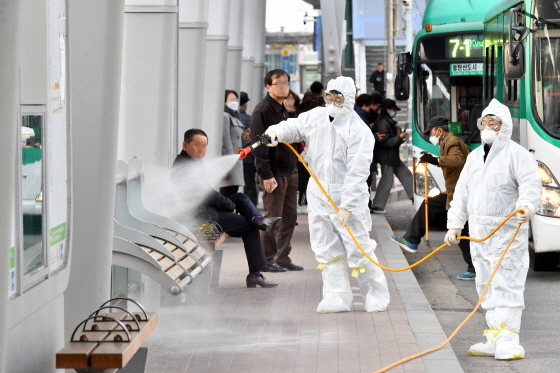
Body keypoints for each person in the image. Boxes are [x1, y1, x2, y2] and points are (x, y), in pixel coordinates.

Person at [263, 76, 390, 313]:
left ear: (348, 99)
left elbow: (358, 171)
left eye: (338, 97)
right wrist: (275, 132)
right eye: (329, 95)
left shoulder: (359, 130)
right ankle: (336, 296)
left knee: (359, 247)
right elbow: (294, 126)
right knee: (325, 246)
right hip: (319, 191)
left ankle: (375, 294)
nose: (332, 100)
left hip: (346, 195)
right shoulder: (316, 116)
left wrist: (349, 205)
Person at [445, 99, 541, 360]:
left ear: (504, 126)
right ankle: (494, 336)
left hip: (505, 233)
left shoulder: (517, 154)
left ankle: (509, 340)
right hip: (479, 234)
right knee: (485, 285)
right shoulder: (475, 157)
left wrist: (525, 207)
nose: (487, 126)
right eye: (484, 122)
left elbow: (531, 186)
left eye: (493, 122)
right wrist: (455, 223)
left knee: (507, 284)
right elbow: (461, 194)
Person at [172, 129, 284, 288]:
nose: (202, 151)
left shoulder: (193, 162)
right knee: (248, 227)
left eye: (205, 147)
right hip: (202, 217)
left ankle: (259, 219)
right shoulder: (183, 166)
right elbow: (206, 195)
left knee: (240, 197)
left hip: (207, 209)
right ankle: (255, 274)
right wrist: (229, 206)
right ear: (185, 145)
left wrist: (229, 203)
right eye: (197, 146)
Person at [389, 116, 476, 280]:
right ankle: (412, 240)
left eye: (431, 132)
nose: (431, 136)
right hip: (457, 192)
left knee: (453, 223)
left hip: (459, 194)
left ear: (439, 130)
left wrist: (435, 160)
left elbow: (458, 160)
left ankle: (412, 240)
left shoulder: (451, 142)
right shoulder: (449, 141)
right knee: (457, 226)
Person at [250, 69, 303, 273]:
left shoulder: (283, 109)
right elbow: (258, 145)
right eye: (278, 83)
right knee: (273, 217)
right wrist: (266, 174)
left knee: (290, 217)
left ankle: (283, 257)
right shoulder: (262, 111)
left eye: (286, 82)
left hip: (290, 170)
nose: (283, 86)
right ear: (268, 86)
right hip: (274, 173)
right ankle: (267, 259)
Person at [370, 99, 414, 214]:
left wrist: (399, 138)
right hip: (387, 157)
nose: (394, 112)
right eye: (393, 110)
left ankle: (415, 197)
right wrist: (399, 137)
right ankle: (377, 205)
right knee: (387, 181)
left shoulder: (386, 121)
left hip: (391, 156)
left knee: (406, 175)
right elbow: (385, 142)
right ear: (388, 109)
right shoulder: (383, 123)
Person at [353, 94, 386, 210]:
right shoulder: (361, 117)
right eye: (370, 106)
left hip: (363, 156)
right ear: (365, 105)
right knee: (365, 181)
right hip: (362, 156)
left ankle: (366, 204)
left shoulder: (361, 115)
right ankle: (365, 205)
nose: (371, 108)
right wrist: (376, 137)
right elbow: (362, 137)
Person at [220, 90, 245, 197]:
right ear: (224, 101)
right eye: (231, 99)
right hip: (231, 162)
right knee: (227, 192)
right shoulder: (225, 116)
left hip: (236, 161)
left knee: (232, 191)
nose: (235, 102)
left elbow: (238, 140)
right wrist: (229, 163)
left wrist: (246, 138)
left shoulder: (234, 116)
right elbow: (226, 140)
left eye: (236, 99)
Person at [239, 92, 258, 206]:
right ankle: (252, 211)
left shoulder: (231, 118)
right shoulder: (250, 119)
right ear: (246, 105)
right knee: (250, 186)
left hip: (234, 158)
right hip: (248, 159)